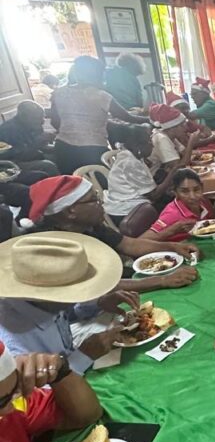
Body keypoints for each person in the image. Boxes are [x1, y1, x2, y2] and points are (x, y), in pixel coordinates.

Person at [26, 176, 199, 291]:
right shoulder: (53, 247)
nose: (102, 203)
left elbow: (130, 244)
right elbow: (95, 285)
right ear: (71, 211)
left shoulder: (89, 226)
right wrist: (162, 281)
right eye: (94, 199)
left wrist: (173, 246)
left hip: (117, 281)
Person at [0, 232, 134, 372]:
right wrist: (84, 355)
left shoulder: (45, 304)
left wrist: (99, 304)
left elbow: (65, 315)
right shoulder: (11, 345)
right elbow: (38, 392)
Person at [50, 55, 148, 173]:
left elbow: (55, 122)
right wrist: (149, 120)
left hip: (64, 148)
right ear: (96, 74)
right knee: (104, 186)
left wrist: (73, 131)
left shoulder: (59, 93)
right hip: (92, 150)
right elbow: (127, 117)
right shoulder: (100, 96)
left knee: (75, 187)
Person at [103, 125, 176, 228]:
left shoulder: (132, 154)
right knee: (173, 207)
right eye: (149, 142)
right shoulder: (129, 162)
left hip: (133, 202)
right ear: (138, 146)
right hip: (127, 212)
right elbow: (154, 195)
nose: (153, 146)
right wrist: (173, 171)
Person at [146, 168, 215, 241]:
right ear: (176, 193)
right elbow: (142, 241)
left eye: (196, 189)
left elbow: (214, 220)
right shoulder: (171, 214)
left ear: (202, 187)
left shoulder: (202, 201)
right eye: (185, 191)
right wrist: (173, 230)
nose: (193, 196)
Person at [0, 101, 57, 175]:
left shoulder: (33, 124)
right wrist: (38, 143)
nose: (42, 121)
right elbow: (20, 156)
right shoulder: (9, 130)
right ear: (23, 116)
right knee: (48, 165)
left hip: (31, 155)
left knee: (59, 153)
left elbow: (41, 147)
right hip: (10, 163)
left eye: (43, 117)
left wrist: (58, 145)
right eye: (38, 118)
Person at [147, 104, 201, 173]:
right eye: (181, 125)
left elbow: (185, 153)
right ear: (171, 128)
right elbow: (179, 167)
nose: (186, 128)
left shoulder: (171, 135)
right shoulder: (161, 138)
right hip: (158, 178)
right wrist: (191, 142)